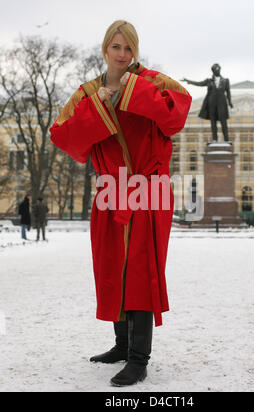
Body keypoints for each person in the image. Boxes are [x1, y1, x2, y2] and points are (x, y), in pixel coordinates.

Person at [49, 20, 191, 387]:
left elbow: (176, 117)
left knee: (141, 269)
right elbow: (64, 137)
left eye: (128, 48)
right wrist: (98, 106)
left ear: (135, 51)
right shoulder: (88, 93)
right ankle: (122, 344)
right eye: (116, 47)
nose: (122, 55)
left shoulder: (153, 82)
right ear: (105, 49)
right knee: (113, 265)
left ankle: (139, 359)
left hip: (148, 190)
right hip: (111, 191)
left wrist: (133, 91)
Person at [182, 63, 233, 143]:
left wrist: (230, 102)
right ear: (213, 71)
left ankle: (226, 139)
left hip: (222, 103)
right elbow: (199, 83)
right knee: (213, 122)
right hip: (211, 103)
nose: (218, 70)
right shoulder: (209, 81)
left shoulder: (225, 81)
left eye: (219, 69)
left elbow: (228, 92)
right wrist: (188, 81)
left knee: (223, 122)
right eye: (216, 69)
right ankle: (215, 139)